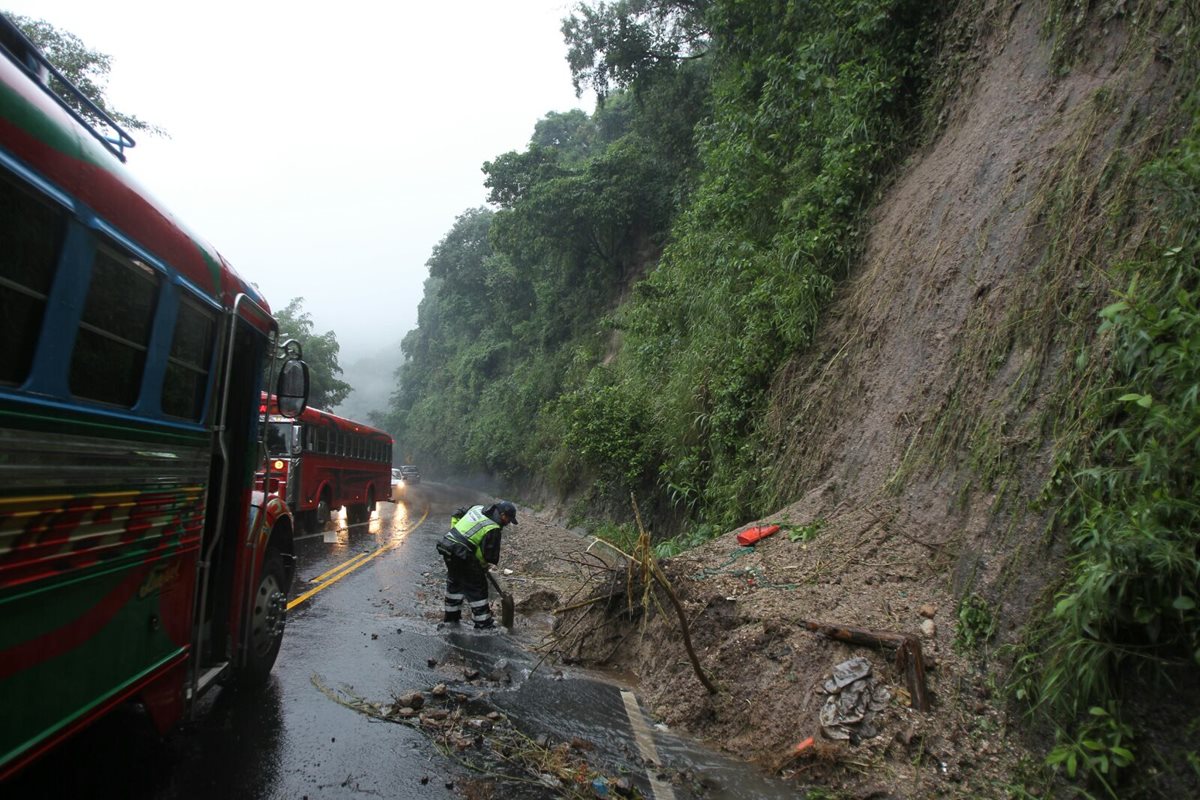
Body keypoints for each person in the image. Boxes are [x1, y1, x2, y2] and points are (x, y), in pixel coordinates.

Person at [436, 500, 518, 629]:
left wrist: (456, 533)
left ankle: (451, 619)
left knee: (455, 582)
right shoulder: (493, 528)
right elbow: (488, 556)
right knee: (477, 587)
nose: (508, 523)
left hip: (447, 546)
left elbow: (457, 514)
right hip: (462, 553)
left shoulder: (477, 508)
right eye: (508, 519)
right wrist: (482, 566)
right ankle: (483, 625)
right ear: (502, 515)